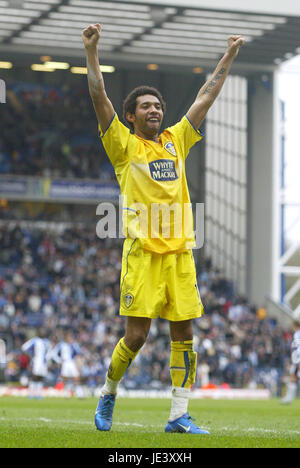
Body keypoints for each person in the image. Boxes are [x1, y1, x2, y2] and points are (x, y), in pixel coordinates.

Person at [82, 23, 244, 435]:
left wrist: (229, 54)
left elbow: (206, 94)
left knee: (185, 332)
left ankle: (178, 415)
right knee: (135, 336)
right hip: (142, 253)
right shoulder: (123, 145)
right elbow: (99, 95)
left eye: (158, 105)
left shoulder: (177, 138)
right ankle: (108, 392)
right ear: (132, 115)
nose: (155, 110)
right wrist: (92, 51)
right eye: (146, 106)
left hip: (180, 253)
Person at [50, 330, 84, 398]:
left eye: (71, 337)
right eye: (69, 337)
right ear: (65, 337)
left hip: (71, 363)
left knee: (76, 377)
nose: (70, 338)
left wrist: (78, 362)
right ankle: (66, 394)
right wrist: (59, 361)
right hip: (65, 363)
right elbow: (53, 354)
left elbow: (78, 353)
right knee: (65, 379)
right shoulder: (61, 345)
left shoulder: (73, 345)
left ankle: (80, 394)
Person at [21, 329, 52, 399]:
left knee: (41, 378)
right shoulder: (35, 340)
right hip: (36, 361)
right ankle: (31, 394)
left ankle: (38, 394)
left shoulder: (47, 342)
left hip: (43, 362)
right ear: (38, 333)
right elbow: (24, 347)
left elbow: (50, 351)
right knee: (34, 377)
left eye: (43, 331)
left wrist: (47, 359)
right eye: (41, 331)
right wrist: (31, 356)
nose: (42, 332)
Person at [281, 320, 300, 404]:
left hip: (298, 359)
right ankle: (288, 398)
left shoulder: (297, 334)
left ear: (294, 326)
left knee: (293, 376)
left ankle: (288, 398)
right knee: (293, 377)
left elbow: (297, 348)